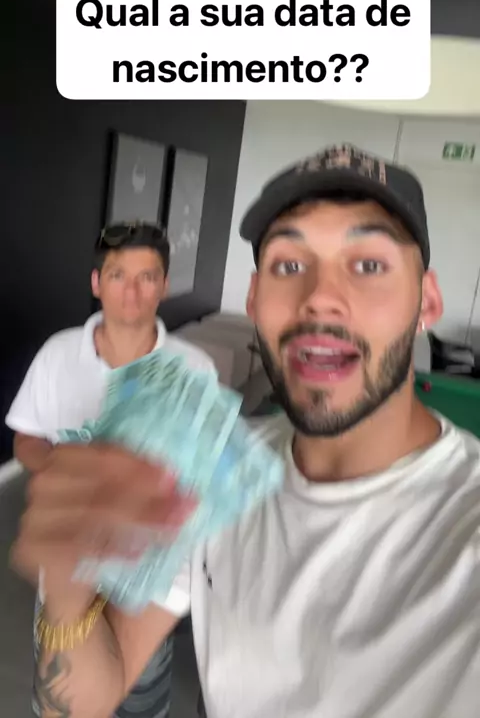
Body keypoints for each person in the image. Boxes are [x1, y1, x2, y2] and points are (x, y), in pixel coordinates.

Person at [12, 145, 480, 718]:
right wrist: (66, 585)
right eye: (289, 265)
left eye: (368, 265)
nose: (321, 298)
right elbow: (86, 698)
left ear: (427, 301)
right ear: (255, 298)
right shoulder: (216, 470)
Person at [7, 220, 216, 718]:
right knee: (63, 699)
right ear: (97, 283)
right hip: (70, 563)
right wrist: (70, 469)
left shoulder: (194, 368)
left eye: (147, 277)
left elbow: (206, 468)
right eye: (119, 275)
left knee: (139, 700)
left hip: (150, 576)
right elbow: (26, 438)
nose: (133, 291)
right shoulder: (59, 353)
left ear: (164, 285)